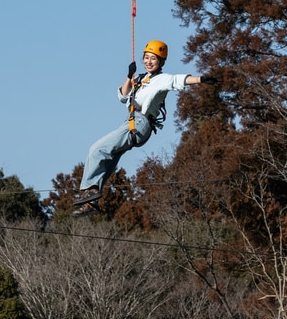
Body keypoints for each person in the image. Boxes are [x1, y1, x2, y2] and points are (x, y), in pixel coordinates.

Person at [73, 39, 216, 215]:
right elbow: (123, 97)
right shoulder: (141, 79)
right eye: (146, 58)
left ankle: (90, 189)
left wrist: (200, 79)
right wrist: (129, 76)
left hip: (139, 123)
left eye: (153, 59)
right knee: (109, 157)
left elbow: (178, 80)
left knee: (96, 149)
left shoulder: (161, 79)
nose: (149, 61)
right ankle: (92, 202)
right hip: (131, 122)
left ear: (161, 62)